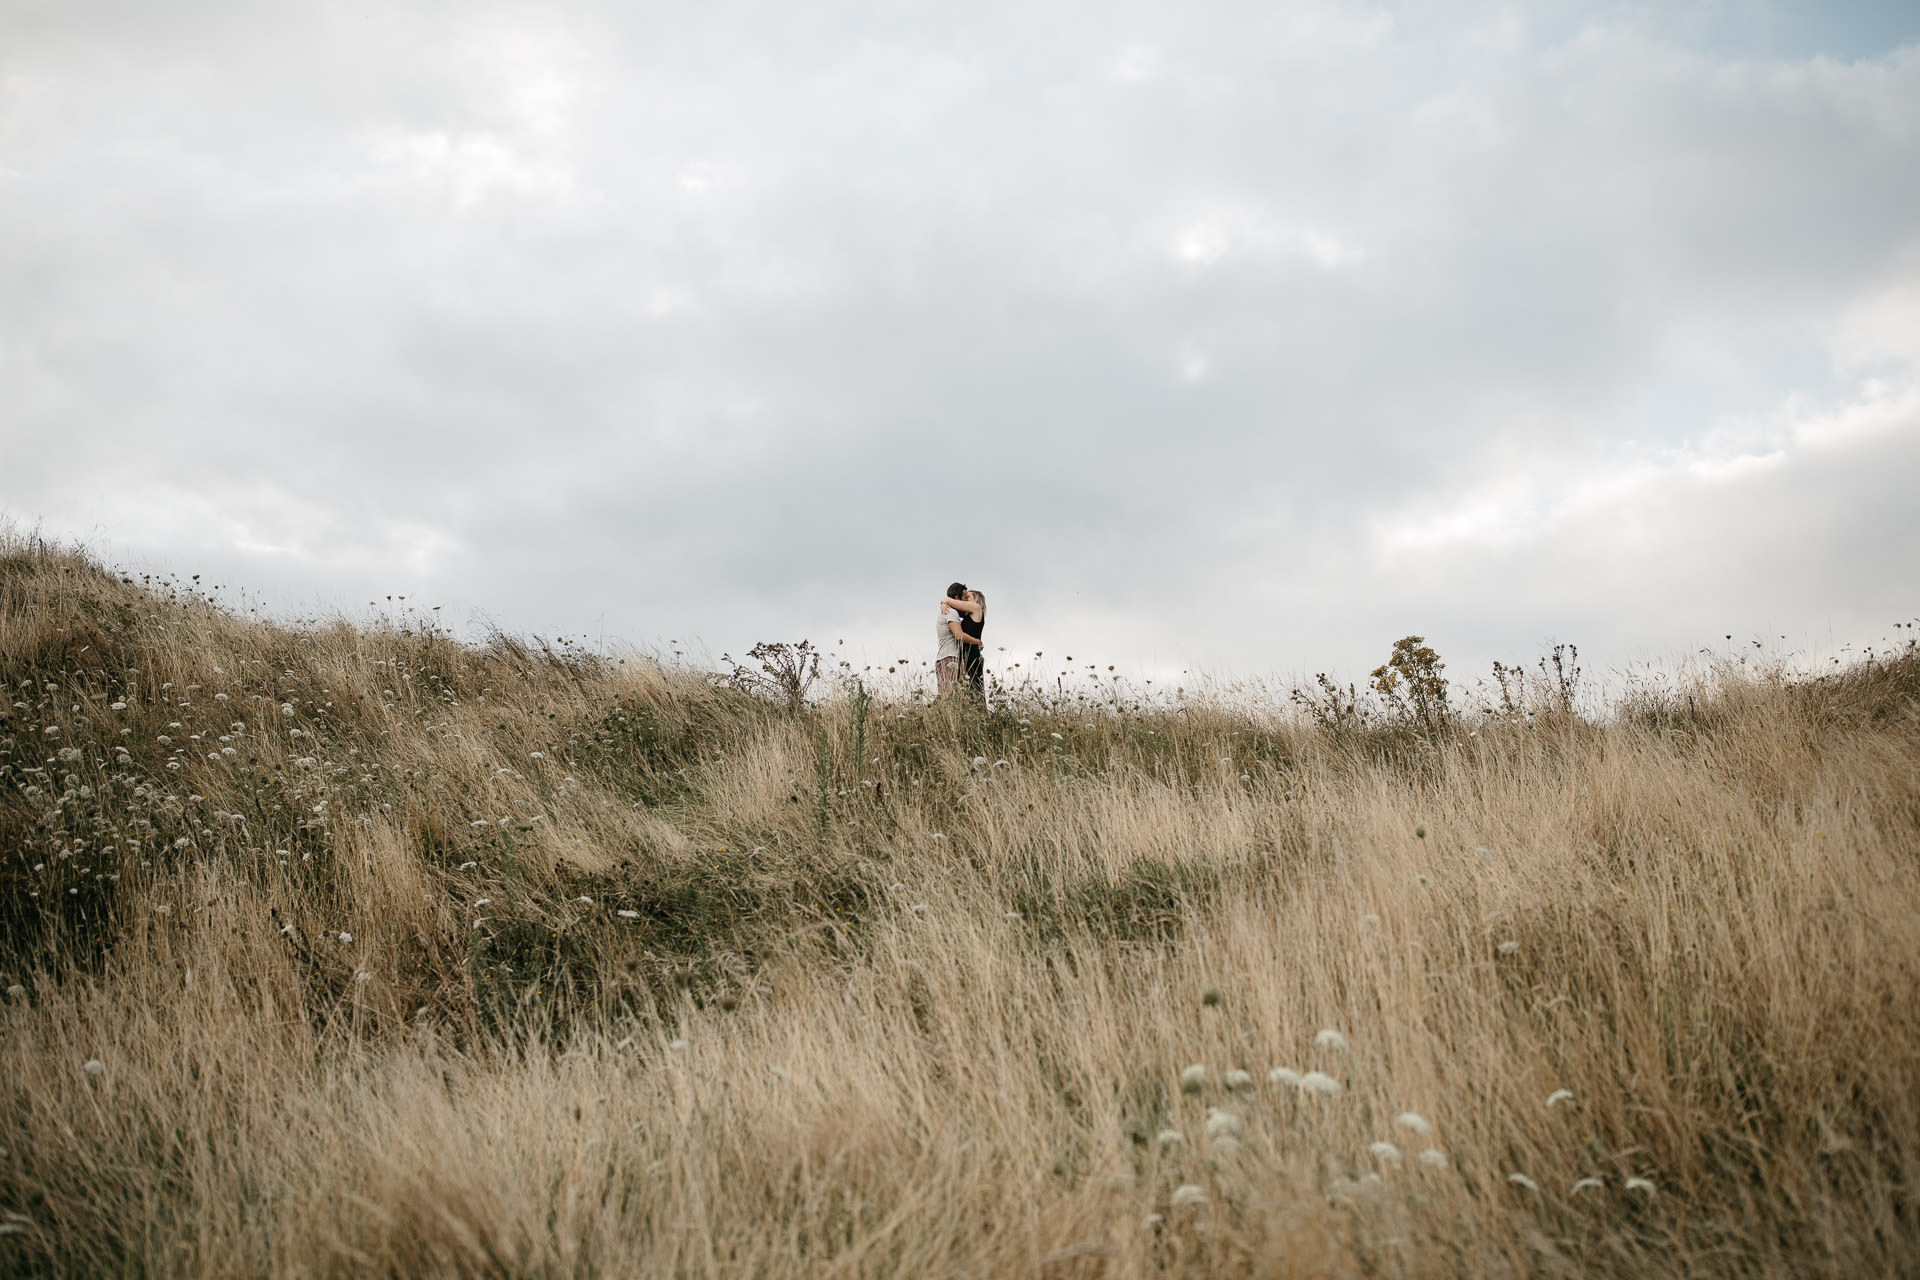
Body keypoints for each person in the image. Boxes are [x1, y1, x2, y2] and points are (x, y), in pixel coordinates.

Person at [940, 586, 986, 700]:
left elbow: (950, 600)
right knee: (966, 691)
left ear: (976, 599)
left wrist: (945, 601)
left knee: (975, 688)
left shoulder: (976, 608)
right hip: (964, 654)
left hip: (972, 654)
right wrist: (943, 604)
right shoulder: (967, 615)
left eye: (967, 597)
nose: (964, 599)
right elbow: (951, 605)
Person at [935, 581, 967, 694]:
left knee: (947, 696)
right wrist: (977, 642)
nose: (966, 601)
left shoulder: (948, 610)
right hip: (949, 659)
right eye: (965, 597)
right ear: (957, 598)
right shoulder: (951, 612)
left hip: (944, 659)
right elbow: (959, 635)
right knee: (950, 697)